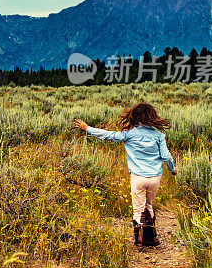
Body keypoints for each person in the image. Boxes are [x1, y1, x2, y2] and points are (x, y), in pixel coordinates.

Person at [73, 102, 176, 247]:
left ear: (136, 118)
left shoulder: (129, 134)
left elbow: (108, 135)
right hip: (155, 177)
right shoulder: (159, 136)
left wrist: (88, 129)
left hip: (138, 177)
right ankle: (151, 238)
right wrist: (172, 169)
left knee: (138, 208)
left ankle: (140, 240)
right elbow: (166, 156)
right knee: (148, 205)